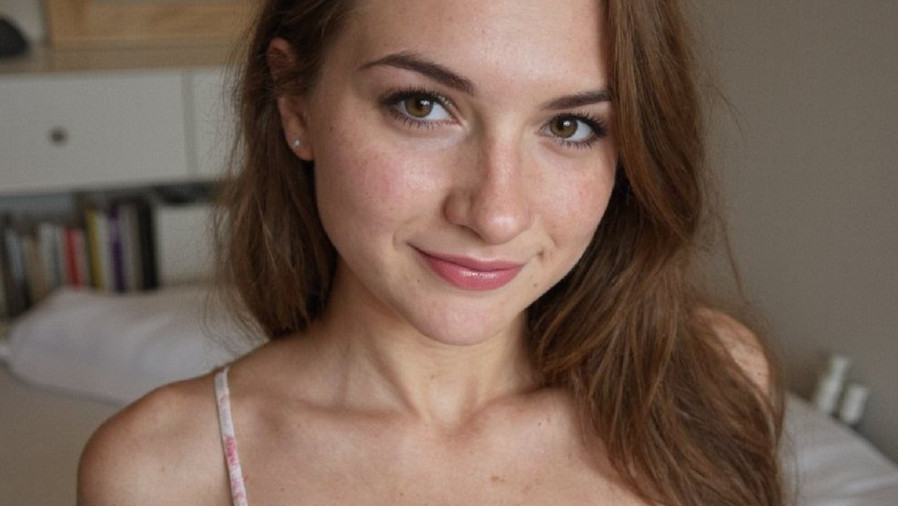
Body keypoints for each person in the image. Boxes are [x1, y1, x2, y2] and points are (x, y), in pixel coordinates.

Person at [78, 0, 784, 504]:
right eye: (422, 106)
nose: (496, 214)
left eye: (570, 125)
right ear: (296, 102)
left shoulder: (711, 384)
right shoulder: (164, 473)